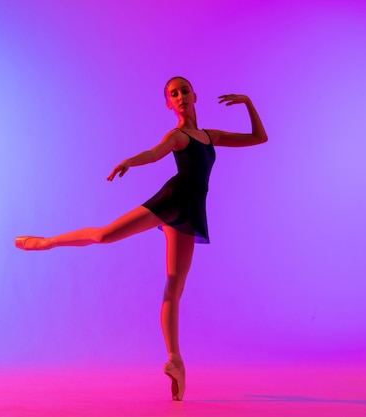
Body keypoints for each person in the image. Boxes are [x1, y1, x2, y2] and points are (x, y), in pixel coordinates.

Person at [15, 76, 268, 401]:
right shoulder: (177, 136)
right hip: (172, 199)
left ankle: (176, 361)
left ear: (194, 95)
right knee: (105, 235)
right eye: (173, 94)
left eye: (184, 91)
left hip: (190, 211)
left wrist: (248, 102)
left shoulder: (209, 136)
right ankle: (48, 241)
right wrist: (131, 162)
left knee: (174, 285)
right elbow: (154, 152)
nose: (180, 97)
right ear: (169, 104)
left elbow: (259, 137)